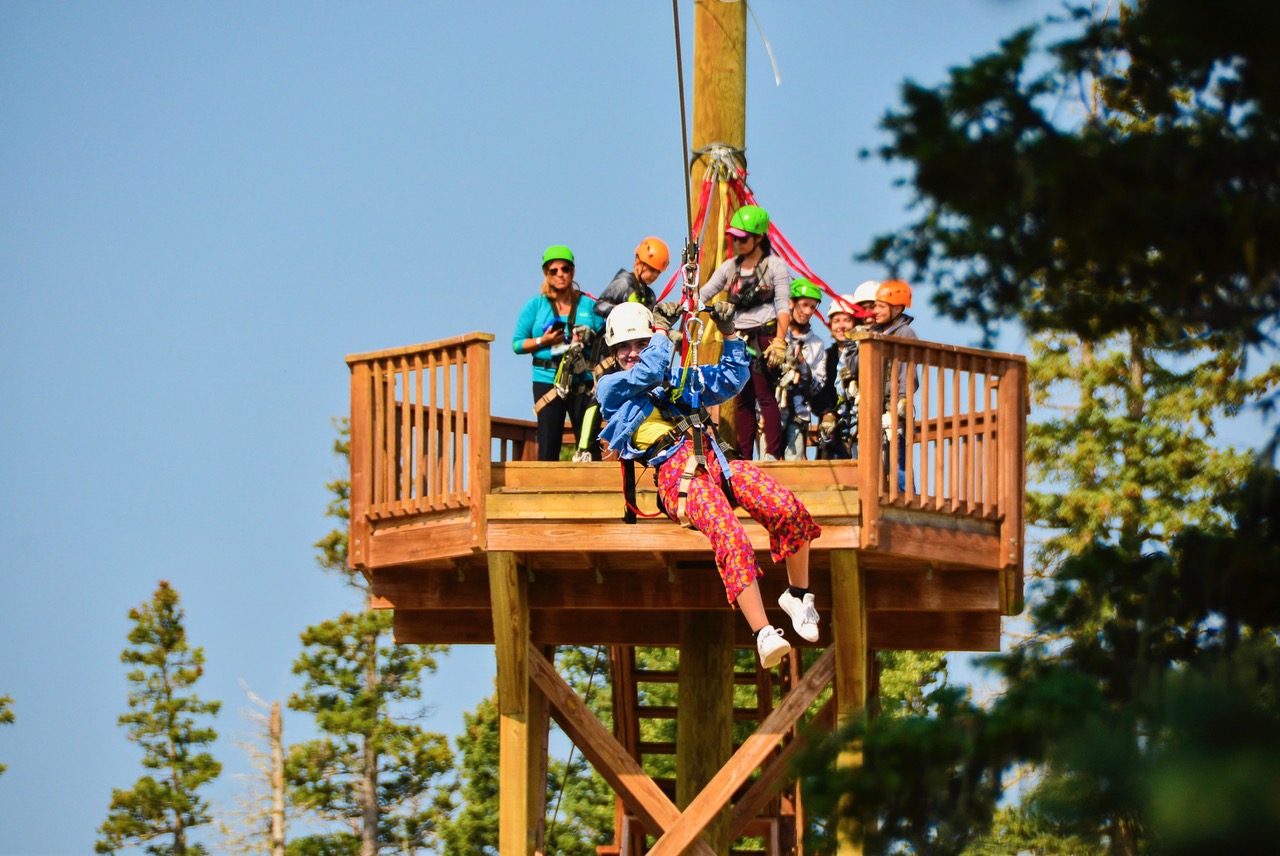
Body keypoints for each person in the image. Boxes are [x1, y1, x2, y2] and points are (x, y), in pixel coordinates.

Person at [596, 301, 823, 668]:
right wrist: (661, 333)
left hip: (717, 461)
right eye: (624, 347)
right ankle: (763, 632)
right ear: (612, 352)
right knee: (730, 535)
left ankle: (798, 594)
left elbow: (732, 378)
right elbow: (650, 369)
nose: (632, 353)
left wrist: (730, 332)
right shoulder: (611, 388)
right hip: (676, 474)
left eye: (638, 343)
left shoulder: (675, 382)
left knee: (788, 509)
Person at [697, 204, 793, 460]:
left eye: (743, 238)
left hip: (765, 336)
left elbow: (783, 305)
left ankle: (773, 453)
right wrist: (686, 303)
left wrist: (781, 342)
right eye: (734, 238)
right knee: (742, 397)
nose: (738, 243)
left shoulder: (775, 266)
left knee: (764, 394)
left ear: (759, 237)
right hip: (738, 337)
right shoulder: (730, 267)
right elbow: (704, 293)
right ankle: (744, 455)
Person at [512, 245, 606, 461]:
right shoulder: (536, 306)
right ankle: (546, 491)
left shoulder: (588, 304)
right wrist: (542, 341)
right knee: (548, 440)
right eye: (554, 271)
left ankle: (594, 488)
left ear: (572, 272)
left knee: (588, 439)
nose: (560, 275)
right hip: (548, 380)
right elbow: (517, 344)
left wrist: (589, 337)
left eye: (565, 269)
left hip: (582, 379)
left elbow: (607, 335)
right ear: (546, 273)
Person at [815, 280, 878, 459]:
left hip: (860, 415)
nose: (841, 326)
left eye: (846, 320)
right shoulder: (827, 356)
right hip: (838, 420)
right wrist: (827, 413)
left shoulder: (864, 348)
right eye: (836, 320)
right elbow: (820, 390)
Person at [870, 279, 919, 489]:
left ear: (897, 308)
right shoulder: (877, 332)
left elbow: (907, 372)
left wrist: (901, 401)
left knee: (898, 459)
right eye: (875, 306)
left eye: (881, 306)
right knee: (880, 457)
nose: (875, 311)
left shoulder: (904, 333)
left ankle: (906, 497)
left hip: (894, 405)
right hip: (877, 404)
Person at [777, 278, 827, 460]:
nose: (807, 312)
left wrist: (803, 366)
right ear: (791, 302)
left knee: (795, 468)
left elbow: (817, 387)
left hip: (799, 414)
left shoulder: (816, 344)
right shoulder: (776, 335)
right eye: (804, 305)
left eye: (813, 307)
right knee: (768, 467)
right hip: (772, 411)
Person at [593, 237, 670, 318]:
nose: (654, 275)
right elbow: (599, 306)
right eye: (651, 269)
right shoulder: (624, 283)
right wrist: (622, 313)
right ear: (637, 262)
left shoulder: (650, 296)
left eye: (658, 272)